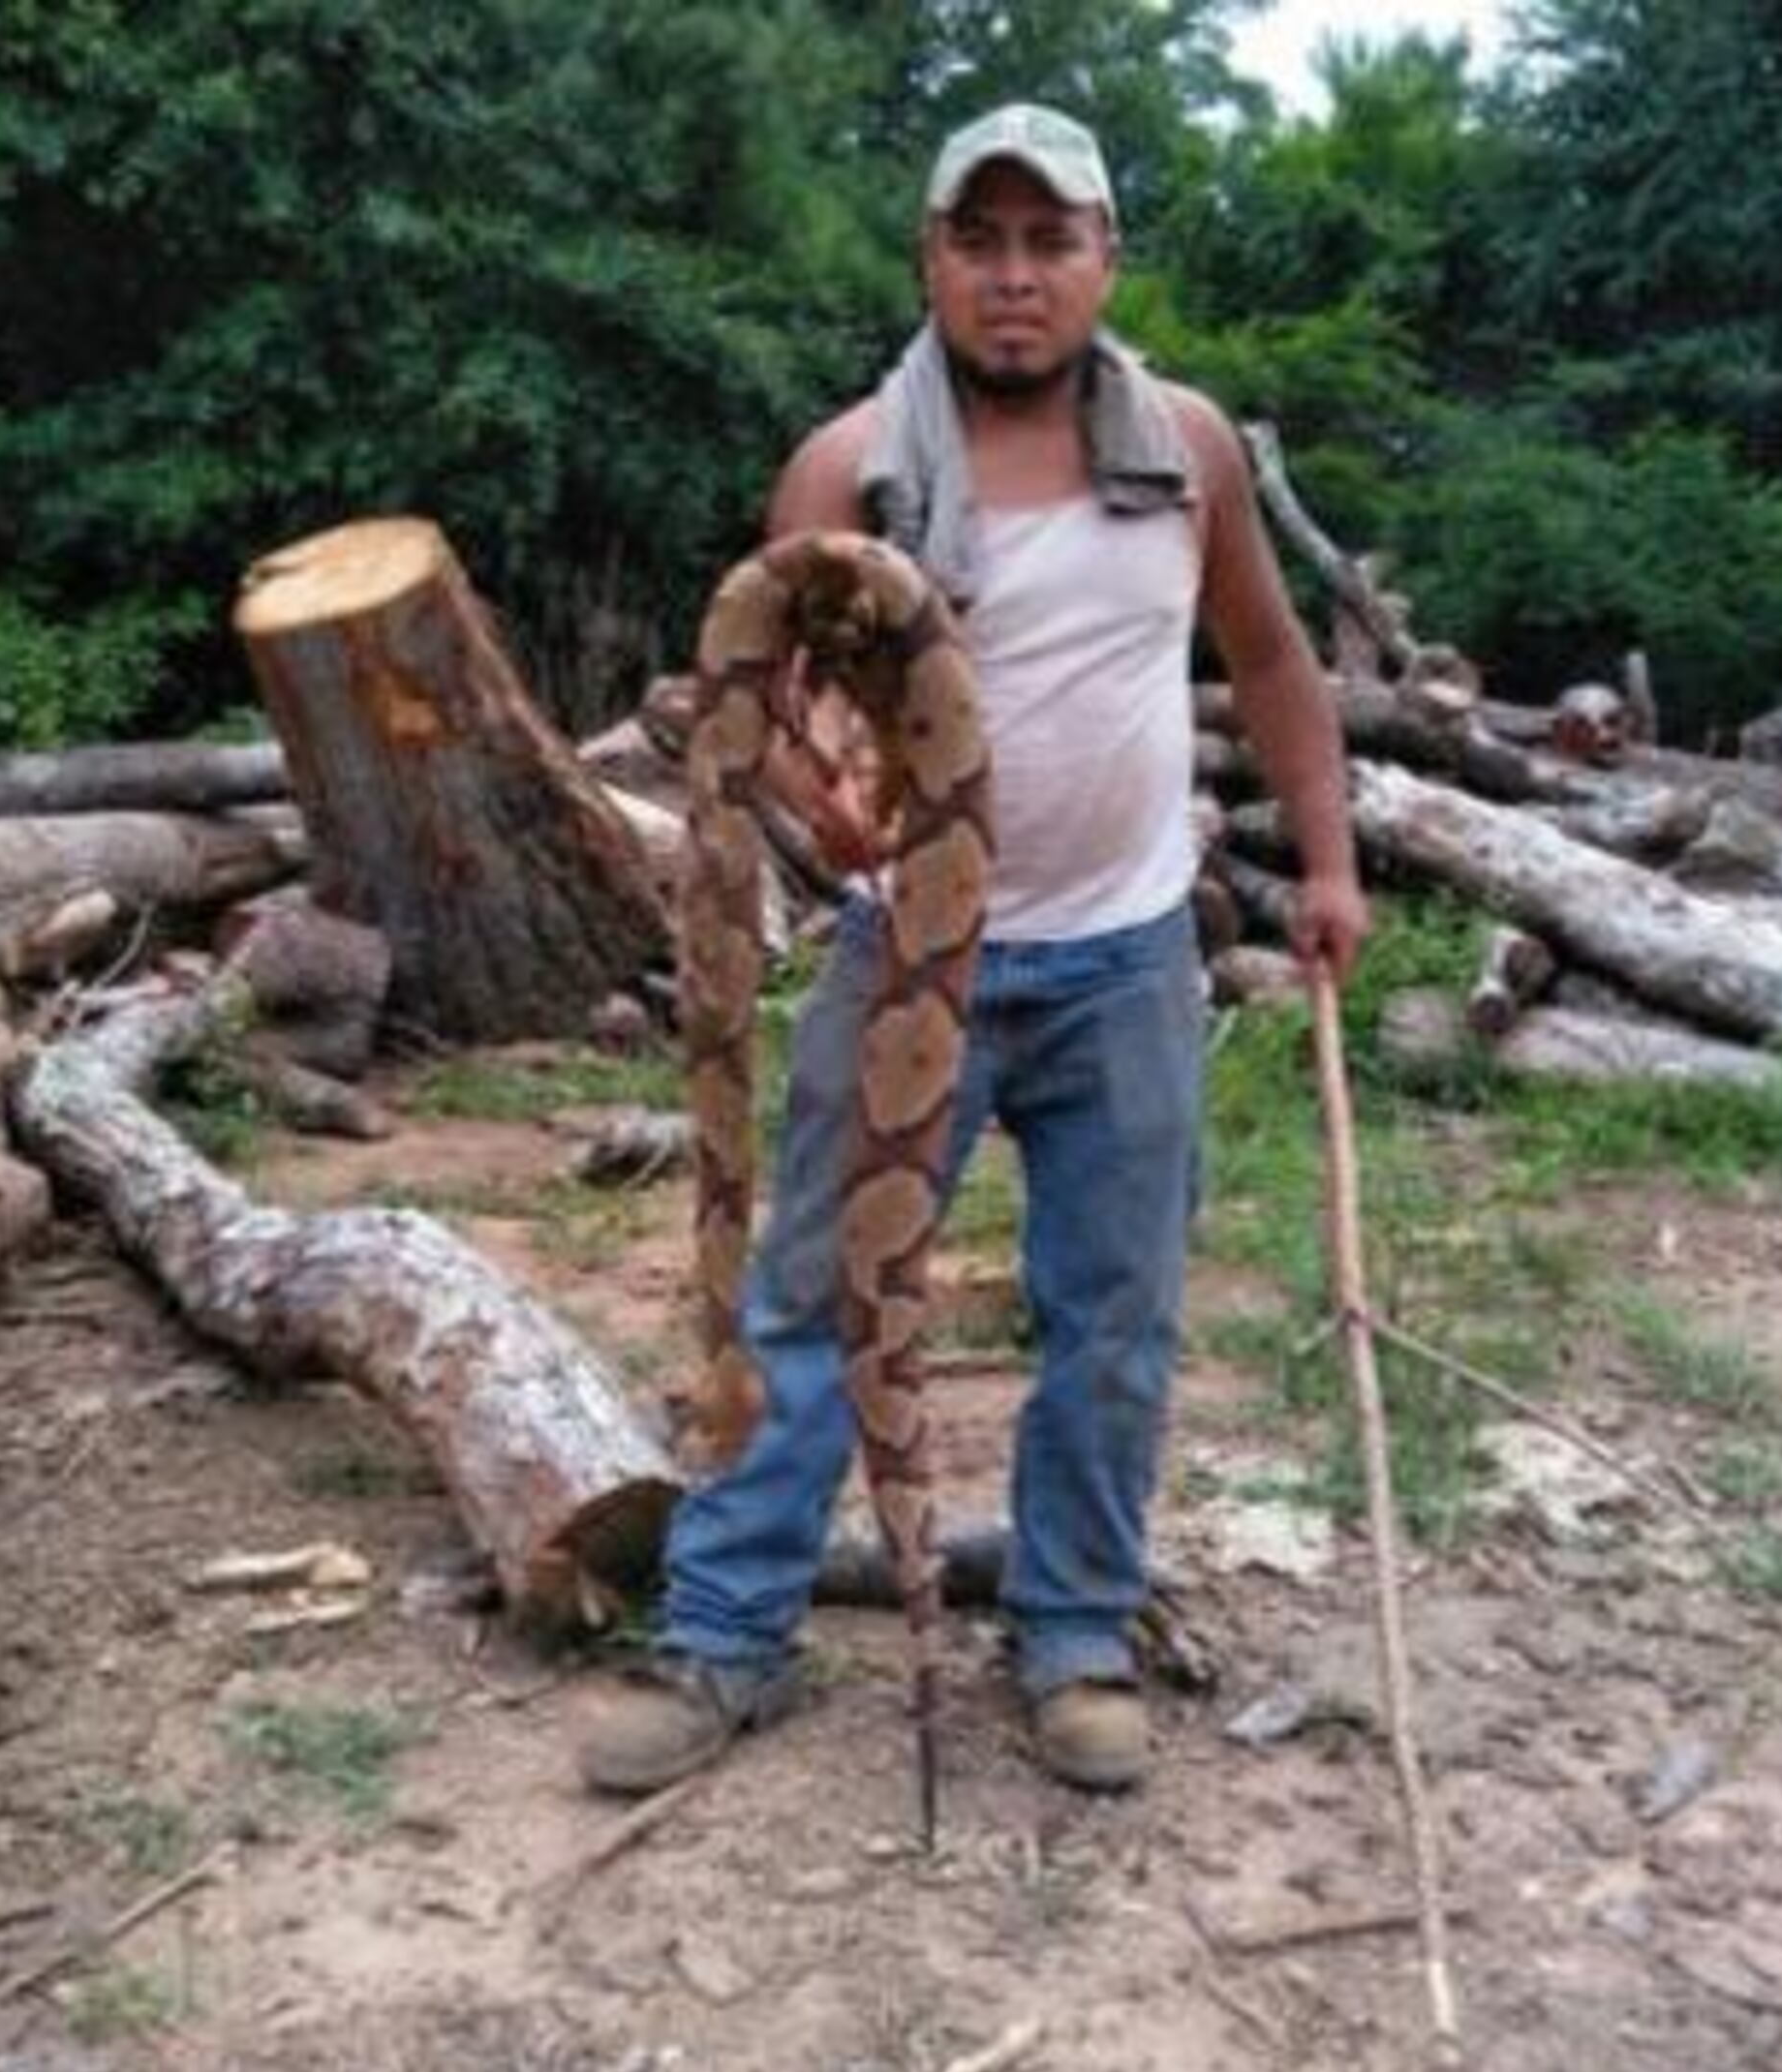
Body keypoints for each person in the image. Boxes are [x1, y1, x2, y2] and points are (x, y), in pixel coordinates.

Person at [575, 102, 1369, 1797]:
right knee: (805, 1298)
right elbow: (752, 708)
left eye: (1049, 241)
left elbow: (1277, 663)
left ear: (1104, 258)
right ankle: (726, 1639)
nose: (1015, 279)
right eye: (979, 242)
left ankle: (1075, 1635)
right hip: (898, 962)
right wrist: (823, 797)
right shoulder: (851, 465)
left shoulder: (1189, 452)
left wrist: (1328, 859)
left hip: (1126, 957)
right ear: (934, 258)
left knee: (1117, 1313)